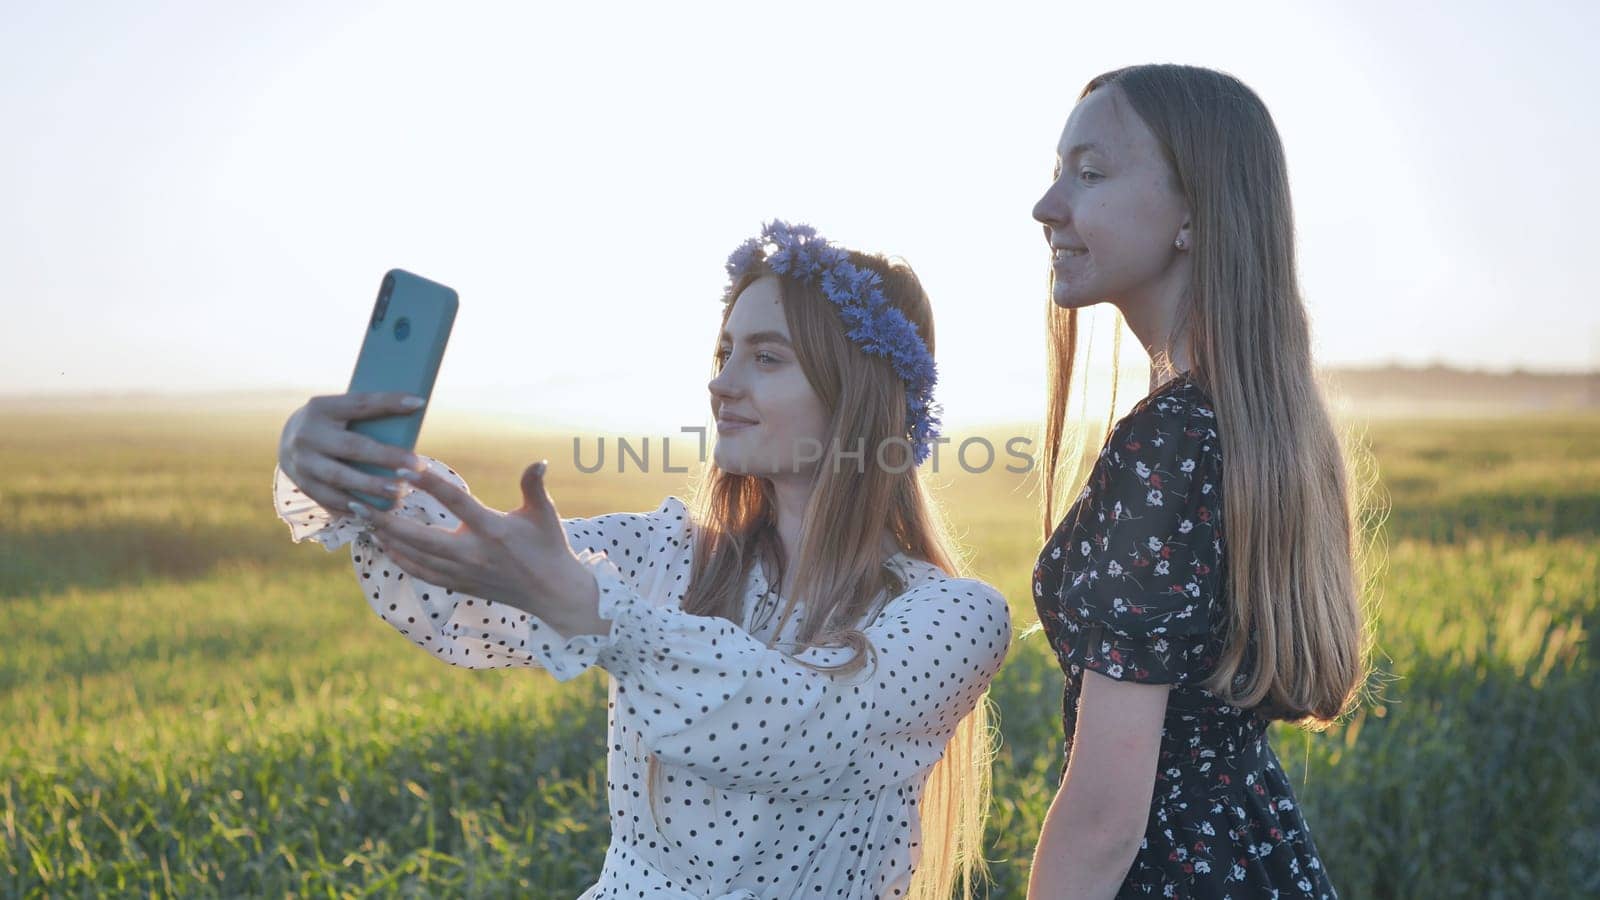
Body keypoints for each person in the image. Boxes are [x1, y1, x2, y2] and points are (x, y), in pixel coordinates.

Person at [273, 220, 1011, 900]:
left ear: (857, 393)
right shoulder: (673, 554)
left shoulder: (955, 616)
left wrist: (596, 612)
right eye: (725, 353)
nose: (722, 383)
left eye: (765, 357)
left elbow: (802, 724)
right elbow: (472, 574)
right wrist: (337, 470)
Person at [1025, 64, 1373, 898]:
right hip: (1256, 855)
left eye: (1091, 172)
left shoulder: (1169, 443)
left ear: (1193, 213)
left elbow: (1105, 819)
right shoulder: (1241, 423)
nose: (1047, 206)